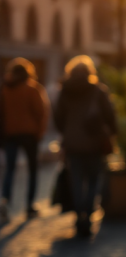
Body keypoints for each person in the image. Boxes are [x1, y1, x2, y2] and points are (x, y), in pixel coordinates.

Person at [54, 56, 117, 237]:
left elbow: (58, 118)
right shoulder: (98, 91)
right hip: (94, 143)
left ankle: (79, 213)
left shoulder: (64, 90)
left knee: (76, 181)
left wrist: (67, 132)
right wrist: (112, 133)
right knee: (93, 181)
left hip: (72, 143)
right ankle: (87, 215)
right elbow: (110, 115)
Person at [0, 58, 50, 223]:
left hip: (10, 134)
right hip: (30, 135)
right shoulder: (33, 89)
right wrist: (39, 133)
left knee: (10, 170)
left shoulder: (5, 89)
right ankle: (29, 206)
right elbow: (42, 112)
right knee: (32, 170)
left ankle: (5, 201)